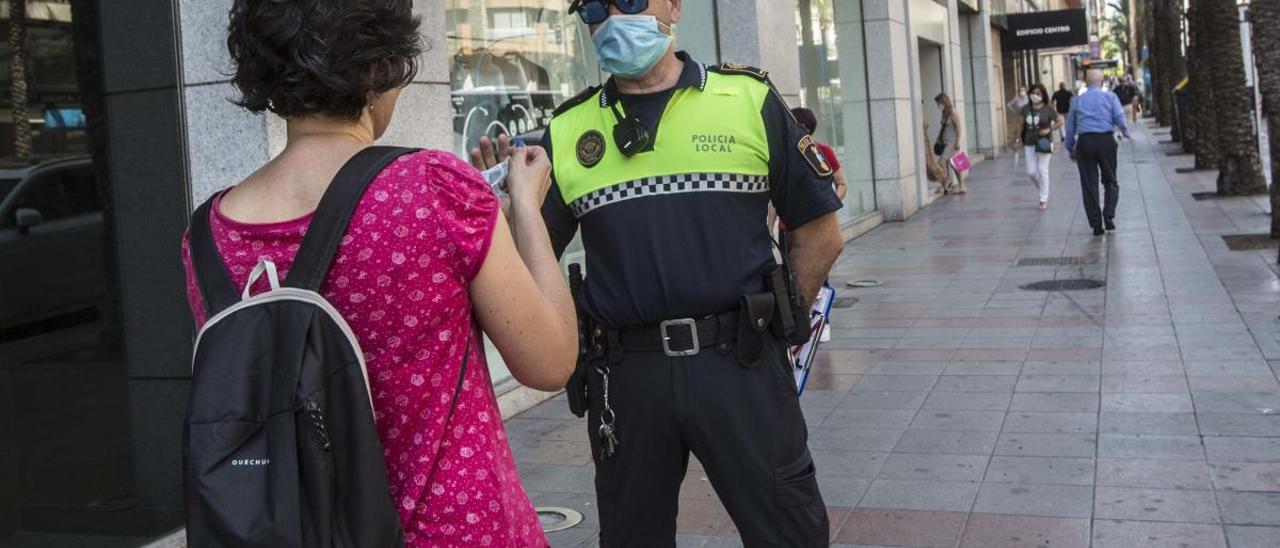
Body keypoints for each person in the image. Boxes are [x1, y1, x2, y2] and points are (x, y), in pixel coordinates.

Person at [181, 1, 578, 545]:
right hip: (453, 529)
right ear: (376, 70)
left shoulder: (209, 232)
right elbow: (549, 362)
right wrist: (527, 208)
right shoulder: (432, 188)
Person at [473, 0, 845, 545]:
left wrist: (779, 330)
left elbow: (821, 232)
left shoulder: (746, 100)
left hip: (740, 362)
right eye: (595, 6)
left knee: (789, 531)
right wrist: (508, 216)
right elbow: (530, 265)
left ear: (673, 4)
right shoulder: (568, 130)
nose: (612, 15)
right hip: (627, 376)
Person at [1066, 68, 1130, 236]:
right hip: (1106, 141)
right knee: (1111, 180)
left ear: (1086, 83)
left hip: (1085, 142)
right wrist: (1125, 132)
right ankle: (1108, 215)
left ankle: (1096, 225)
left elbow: (1070, 127)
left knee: (1089, 185)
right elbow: (1120, 117)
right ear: (1102, 82)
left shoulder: (1077, 101)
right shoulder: (1110, 97)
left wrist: (1071, 147)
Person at [1017, 83, 1064, 210]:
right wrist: (1017, 139)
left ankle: (1043, 198)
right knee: (1031, 172)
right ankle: (1043, 190)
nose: (1035, 96)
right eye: (1033, 93)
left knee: (1042, 170)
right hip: (1029, 142)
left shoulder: (1048, 108)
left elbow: (1060, 121)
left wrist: (1050, 129)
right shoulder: (1025, 108)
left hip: (1044, 141)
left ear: (1043, 95)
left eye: (1038, 94)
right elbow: (1021, 125)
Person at [791, 107, 849, 202]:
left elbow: (841, 184)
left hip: (821, 214)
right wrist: (772, 217)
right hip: (790, 215)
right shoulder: (784, 153)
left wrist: (831, 205)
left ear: (805, 129)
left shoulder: (824, 151)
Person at [936, 92, 968, 194]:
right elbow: (943, 127)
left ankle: (947, 183)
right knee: (954, 165)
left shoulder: (953, 112)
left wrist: (958, 142)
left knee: (941, 162)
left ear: (943, 102)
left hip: (952, 142)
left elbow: (958, 128)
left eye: (938, 103)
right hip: (945, 142)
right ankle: (958, 185)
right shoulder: (944, 113)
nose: (938, 106)